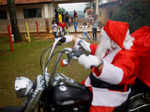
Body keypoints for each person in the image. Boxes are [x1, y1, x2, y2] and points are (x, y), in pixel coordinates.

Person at [70, 20, 139, 112]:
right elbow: (96, 49)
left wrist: (98, 64)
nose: (102, 39)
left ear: (112, 39)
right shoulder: (113, 47)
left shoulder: (128, 54)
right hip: (96, 85)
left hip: (111, 94)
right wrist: (77, 40)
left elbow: (118, 75)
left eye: (104, 37)